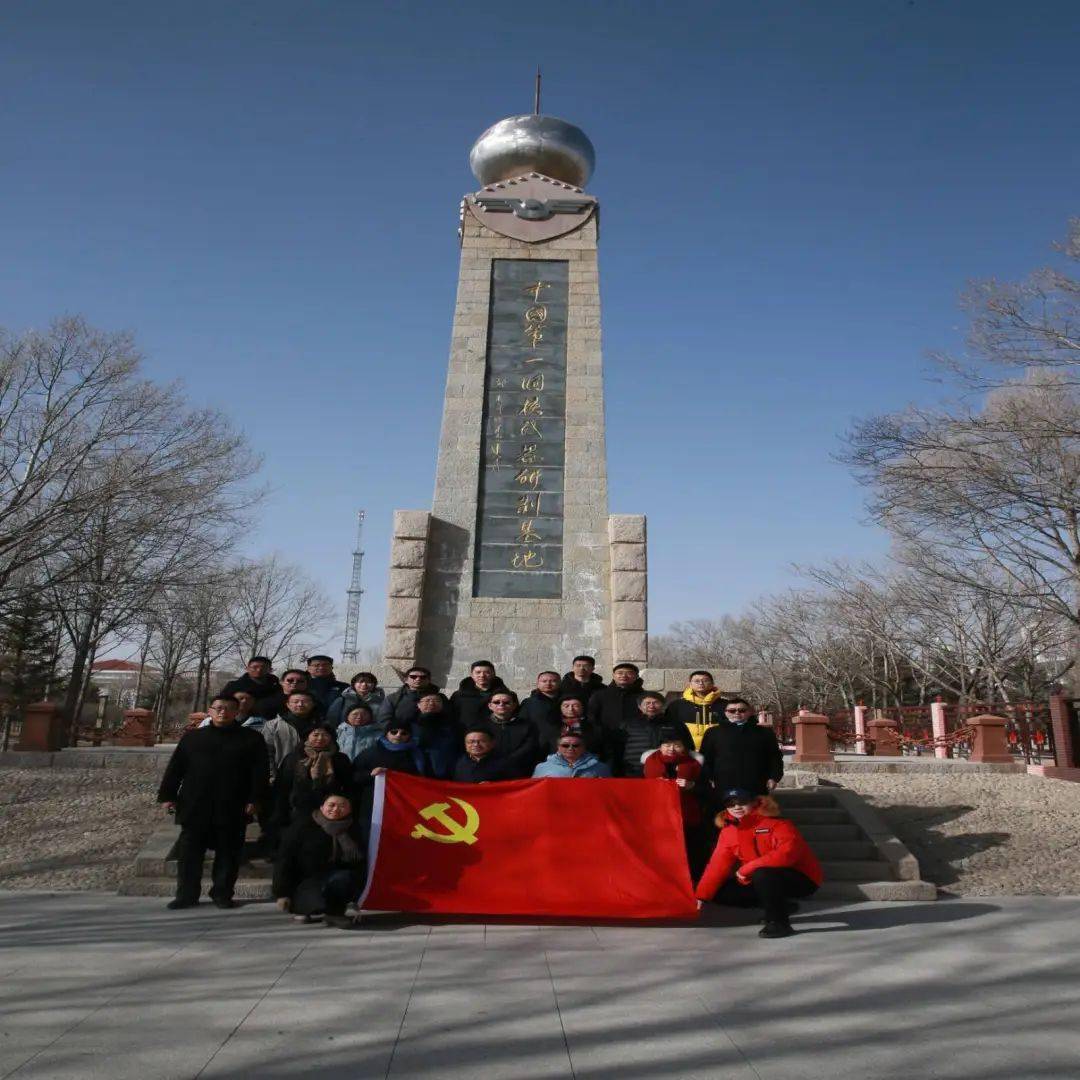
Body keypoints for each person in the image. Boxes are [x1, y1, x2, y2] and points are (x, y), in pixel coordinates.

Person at [157, 694, 268, 910]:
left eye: (228, 709)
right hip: (195, 803)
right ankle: (186, 895)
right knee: (189, 854)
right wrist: (168, 796)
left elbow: (260, 772)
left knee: (229, 853)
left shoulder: (251, 739)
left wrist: (255, 798)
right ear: (210, 711)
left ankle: (222, 893)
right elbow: (176, 768)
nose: (222, 712)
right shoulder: (193, 738)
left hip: (233, 804)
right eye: (217, 708)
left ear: (237, 712)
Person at [695, 788, 822, 938]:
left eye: (742, 802)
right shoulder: (728, 831)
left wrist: (745, 870)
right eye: (730, 803)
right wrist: (701, 895)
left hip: (801, 878)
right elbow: (717, 864)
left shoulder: (777, 823)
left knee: (763, 873)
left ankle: (779, 923)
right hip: (759, 878)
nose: (736, 807)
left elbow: (787, 854)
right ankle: (781, 905)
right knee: (719, 892)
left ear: (755, 802)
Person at [273, 793, 364, 928]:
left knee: (344, 878)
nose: (336, 809)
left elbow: (361, 862)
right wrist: (282, 893)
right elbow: (284, 860)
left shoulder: (354, 829)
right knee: (313, 900)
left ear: (350, 809)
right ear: (322, 807)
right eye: (331, 805)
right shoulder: (302, 827)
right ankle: (303, 908)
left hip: (336, 877)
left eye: (342, 806)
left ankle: (334, 913)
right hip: (305, 879)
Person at [699, 697, 784, 807]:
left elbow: (774, 756)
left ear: (749, 712)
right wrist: (708, 778)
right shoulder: (713, 732)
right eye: (732, 710)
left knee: (755, 813)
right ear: (725, 713)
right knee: (725, 814)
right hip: (724, 781)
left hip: (756, 780)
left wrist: (774, 777)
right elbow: (706, 757)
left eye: (742, 710)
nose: (737, 713)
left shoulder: (764, 732)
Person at [274, 725, 352, 830]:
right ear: (307, 737)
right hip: (298, 808)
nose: (320, 738)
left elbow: (348, 784)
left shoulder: (340, 759)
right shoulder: (293, 758)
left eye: (325, 735)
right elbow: (283, 785)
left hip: (330, 810)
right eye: (315, 735)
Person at [588, 664, 649, 776]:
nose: (624, 676)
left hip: (636, 745)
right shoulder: (600, 695)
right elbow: (591, 717)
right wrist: (600, 733)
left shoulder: (645, 696)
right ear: (613, 675)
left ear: (636, 676)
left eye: (629, 673)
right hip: (606, 744)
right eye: (620, 673)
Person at [665, 670, 728, 750]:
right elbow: (669, 730)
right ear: (690, 684)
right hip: (687, 752)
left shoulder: (726, 705)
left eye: (705, 680)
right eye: (697, 681)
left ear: (712, 684)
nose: (701, 683)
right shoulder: (677, 705)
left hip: (718, 750)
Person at [485, 690, 541, 778]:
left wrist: (509, 760)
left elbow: (529, 747)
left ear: (514, 705)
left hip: (519, 771)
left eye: (506, 702)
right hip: (488, 769)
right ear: (490, 706)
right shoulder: (481, 725)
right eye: (496, 702)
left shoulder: (528, 725)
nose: (501, 705)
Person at [413, 691, 462, 779]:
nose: (431, 703)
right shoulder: (409, 725)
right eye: (427, 700)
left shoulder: (453, 725)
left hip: (448, 772)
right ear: (418, 704)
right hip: (417, 773)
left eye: (437, 700)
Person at [450, 660, 508, 729]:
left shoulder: (506, 695)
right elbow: (451, 717)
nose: (482, 675)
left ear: (493, 674)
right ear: (472, 675)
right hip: (467, 735)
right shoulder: (459, 696)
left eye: (487, 672)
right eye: (478, 672)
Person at [518, 671, 565, 754]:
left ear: (560, 683)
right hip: (538, 746)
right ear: (538, 684)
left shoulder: (567, 702)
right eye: (544, 681)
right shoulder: (529, 703)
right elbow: (522, 724)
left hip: (564, 745)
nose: (548, 684)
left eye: (553, 681)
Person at [385, 666, 450, 726]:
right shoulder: (393, 698)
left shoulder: (440, 698)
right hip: (401, 735)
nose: (418, 679)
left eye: (423, 677)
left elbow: (449, 719)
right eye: (413, 677)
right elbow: (384, 720)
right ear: (406, 680)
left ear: (429, 680)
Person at [326, 672, 391, 728]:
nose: (364, 684)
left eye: (369, 682)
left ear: (374, 685)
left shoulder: (383, 702)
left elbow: (386, 720)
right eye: (360, 681)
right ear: (354, 684)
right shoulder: (342, 700)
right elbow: (331, 719)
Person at [533, 732, 611, 778]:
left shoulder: (601, 768)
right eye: (565, 745)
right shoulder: (542, 768)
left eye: (576, 745)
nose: (570, 748)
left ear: (583, 747)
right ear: (558, 747)